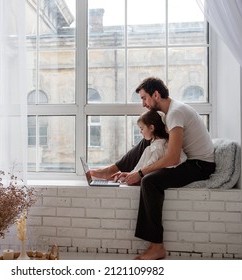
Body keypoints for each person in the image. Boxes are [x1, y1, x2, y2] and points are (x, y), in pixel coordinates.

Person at [90, 77, 215, 260]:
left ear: (156, 95)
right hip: (192, 160)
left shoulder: (175, 114)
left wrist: (140, 173)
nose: (143, 104)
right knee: (149, 137)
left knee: (150, 181)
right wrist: (136, 172)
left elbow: (172, 158)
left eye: (144, 98)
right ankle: (110, 170)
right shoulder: (170, 112)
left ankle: (157, 246)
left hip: (200, 165)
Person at [131, 110, 187, 175]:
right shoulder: (160, 143)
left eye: (142, 128)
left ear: (151, 128)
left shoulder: (159, 146)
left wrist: (137, 174)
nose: (140, 132)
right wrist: (132, 174)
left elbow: (149, 166)